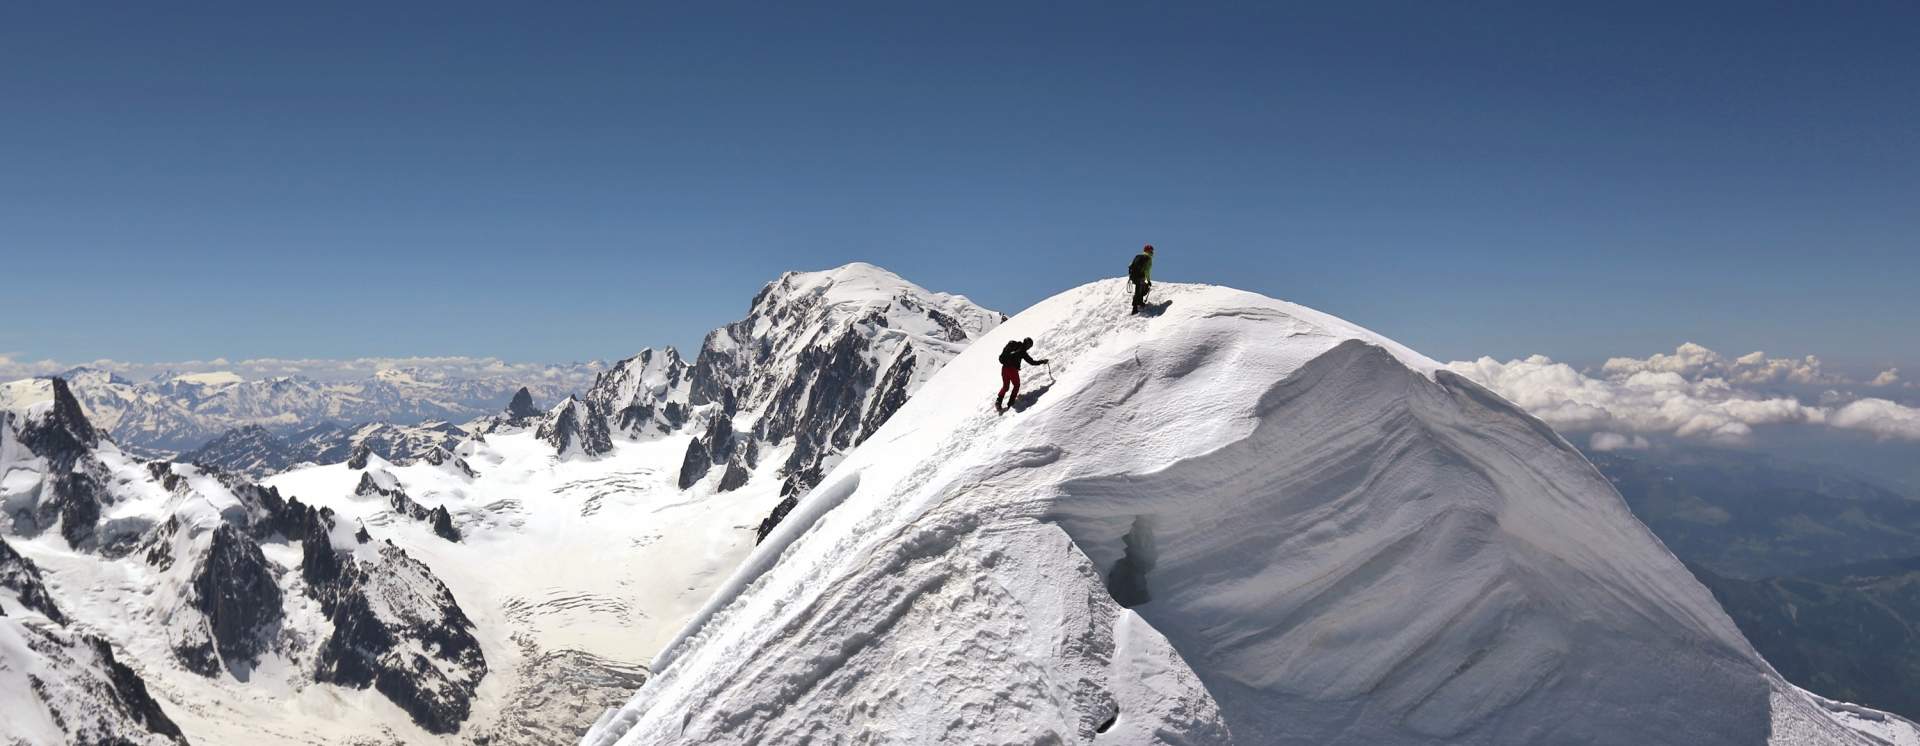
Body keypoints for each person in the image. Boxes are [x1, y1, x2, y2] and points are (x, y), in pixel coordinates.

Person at [996, 337, 1048, 412]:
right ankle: (1011, 402)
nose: (1028, 348)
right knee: (1016, 385)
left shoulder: (1014, 345)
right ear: (1027, 345)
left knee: (1005, 387)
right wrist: (1043, 361)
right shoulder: (1022, 352)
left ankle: (998, 401)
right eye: (1029, 346)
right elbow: (1032, 362)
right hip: (1012, 370)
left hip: (1004, 368)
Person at [1128, 244, 1155, 314]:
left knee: (1139, 289)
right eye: (1152, 251)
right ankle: (1135, 308)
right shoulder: (1148, 258)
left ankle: (1139, 303)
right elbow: (1147, 270)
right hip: (1140, 277)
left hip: (1134, 277)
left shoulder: (1138, 256)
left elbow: (1130, 265)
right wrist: (1148, 280)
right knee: (1141, 290)